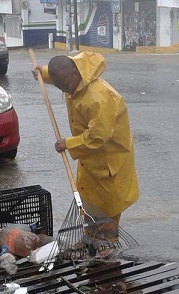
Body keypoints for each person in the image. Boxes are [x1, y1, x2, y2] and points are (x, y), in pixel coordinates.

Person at [33, 52, 139, 243]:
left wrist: (69, 143)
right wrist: (43, 73)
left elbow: (98, 136)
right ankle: (91, 238)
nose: (66, 90)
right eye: (61, 87)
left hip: (109, 160)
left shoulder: (100, 98)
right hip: (91, 159)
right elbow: (59, 72)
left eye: (66, 85)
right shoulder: (72, 78)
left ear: (75, 72)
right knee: (91, 200)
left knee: (107, 205)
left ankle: (106, 245)